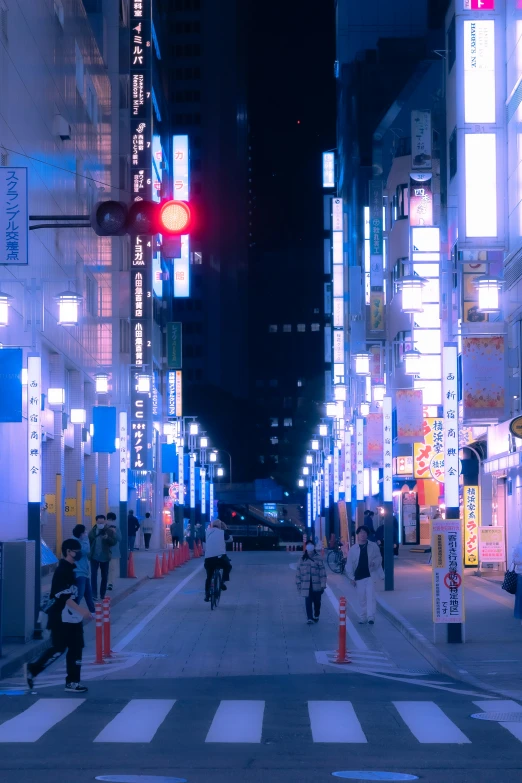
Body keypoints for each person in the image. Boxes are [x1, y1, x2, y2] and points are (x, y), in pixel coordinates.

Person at [25, 538, 92, 693]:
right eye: (76, 550)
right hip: (61, 616)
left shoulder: (69, 569)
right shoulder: (63, 571)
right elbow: (65, 598)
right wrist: (83, 612)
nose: (79, 553)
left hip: (69, 616)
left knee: (72, 647)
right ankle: (35, 669)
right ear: (68, 552)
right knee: (61, 647)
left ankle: (71, 681)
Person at [346, 525, 384, 625]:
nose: (363, 534)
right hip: (358, 577)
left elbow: (379, 558)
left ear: (367, 534)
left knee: (370, 596)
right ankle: (363, 616)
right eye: (360, 532)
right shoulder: (353, 549)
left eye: (364, 532)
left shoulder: (373, 546)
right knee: (361, 598)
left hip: (370, 575)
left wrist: (375, 563)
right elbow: (349, 564)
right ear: (357, 535)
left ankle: (370, 616)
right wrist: (351, 578)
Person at [296, 540, 327, 625]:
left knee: (317, 601)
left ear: (314, 546)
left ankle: (316, 614)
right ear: (306, 547)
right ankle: (309, 618)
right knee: (308, 601)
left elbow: (322, 572)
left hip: (317, 584)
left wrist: (323, 583)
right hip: (306, 584)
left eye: (311, 545)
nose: (309, 546)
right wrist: (298, 583)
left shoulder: (318, 557)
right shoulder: (302, 558)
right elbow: (298, 572)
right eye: (308, 545)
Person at [203, 519, 232, 602]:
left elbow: (204, 546)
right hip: (220, 558)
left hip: (209, 559)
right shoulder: (222, 533)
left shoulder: (206, 533)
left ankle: (207, 594)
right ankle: (222, 582)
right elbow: (230, 539)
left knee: (209, 577)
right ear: (220, 526)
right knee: (228, 566)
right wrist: (225, 529)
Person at [89, 515, 116, 601]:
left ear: (105, 522)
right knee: (93, 575)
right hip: (94, 556)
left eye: (102, 522)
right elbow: (89, 542)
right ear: (96, 522)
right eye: (99, 522)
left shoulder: (109, 531)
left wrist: (107, 538)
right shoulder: (92, 531)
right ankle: (94, 594)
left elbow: (114, 542)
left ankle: (102, 594)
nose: (101, 524)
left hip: (105, 557)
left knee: (104, 576)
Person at [72, 524, 95, 613]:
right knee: (79, 595)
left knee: (88, 594)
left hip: (84, 572)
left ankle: (93, 612)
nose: (86, 534)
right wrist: (86, 539)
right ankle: (71, 612)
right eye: (84, 532)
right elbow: (86, 551)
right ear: (80, 534)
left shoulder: (80, 540)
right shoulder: (75, 542)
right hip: (78, 572)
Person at [106, 512, 122, 590]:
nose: (110, 522)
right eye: (109, 520)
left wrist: (114, 532)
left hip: (114, 552)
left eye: (111, 520)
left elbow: (120, 538)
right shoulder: (104, 527)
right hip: (106, 551)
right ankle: (108, 582)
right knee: (109, 568)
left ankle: (110, 583)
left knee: (111, 568)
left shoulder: (116, 527)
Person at [512, 540, 522, 623]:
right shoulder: (519, 546)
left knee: (520, 597)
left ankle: (520, 617)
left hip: (520, 575)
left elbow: (515, 560)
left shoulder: (518, 546)